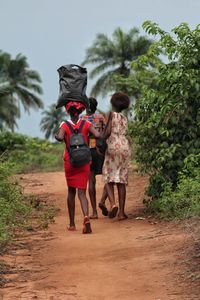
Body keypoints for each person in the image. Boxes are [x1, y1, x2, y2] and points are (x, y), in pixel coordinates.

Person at [55, 101, 100, 234]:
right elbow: (97, 135)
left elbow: (60, 137)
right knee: (82, 192)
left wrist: (57, 136)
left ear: (68, 111)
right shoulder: (86, 124)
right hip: (84, 161)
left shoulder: (64, 124)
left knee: (71, 192)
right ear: (80, 112)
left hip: (70, 161)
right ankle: (86, 217)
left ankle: (72, 224)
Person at [102, 92, 131, 220]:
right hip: (124, 146)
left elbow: (107, 131)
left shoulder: (109, 114)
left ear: (112, 103)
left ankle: (113, 204)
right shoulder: (124, 117)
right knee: (121, 180)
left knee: (108, 177)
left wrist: (100, 140)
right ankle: (121, 213)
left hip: (113, 146)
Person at [81, 97, 108, 219]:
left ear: (85, 107)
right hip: (101, 150)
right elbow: (107, 132)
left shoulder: (82, 119)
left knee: (91, 181)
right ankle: (103, 201)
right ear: (96, 106)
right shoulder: (101, 117)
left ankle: (94, 212)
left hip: (88, 151)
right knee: (108, 179)